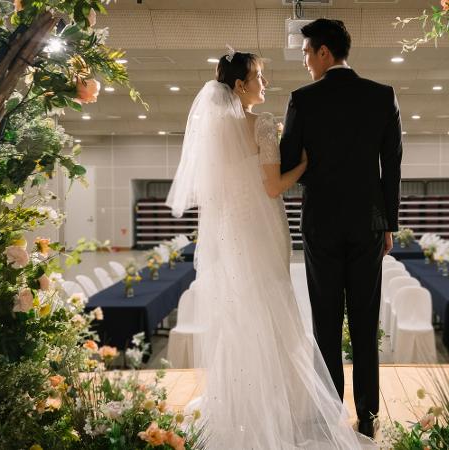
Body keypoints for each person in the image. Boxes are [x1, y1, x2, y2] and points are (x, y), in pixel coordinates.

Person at [167, 49, 373, 449]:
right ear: (240, 85)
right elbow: (273, 186)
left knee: (243, 312)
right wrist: (304, 166)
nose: (266, 83)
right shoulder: (261, 124)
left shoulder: (214, 132)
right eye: (259, 77)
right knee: (275, 306)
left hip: (232, 233)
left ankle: (242, 404)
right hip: (264, 228)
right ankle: (287, 411)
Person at [279, 18, 403, 438]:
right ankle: (368, 414)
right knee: (366, 320)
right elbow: (393, 166)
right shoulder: (382, 96)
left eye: (306, 55)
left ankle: (330, 411)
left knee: (326, 321)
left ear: (324, 53)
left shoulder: (302, 99)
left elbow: (289, 164)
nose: (305, 64)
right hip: (369, 223)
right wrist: (389, 222)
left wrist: (312, 166)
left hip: (321, 224)